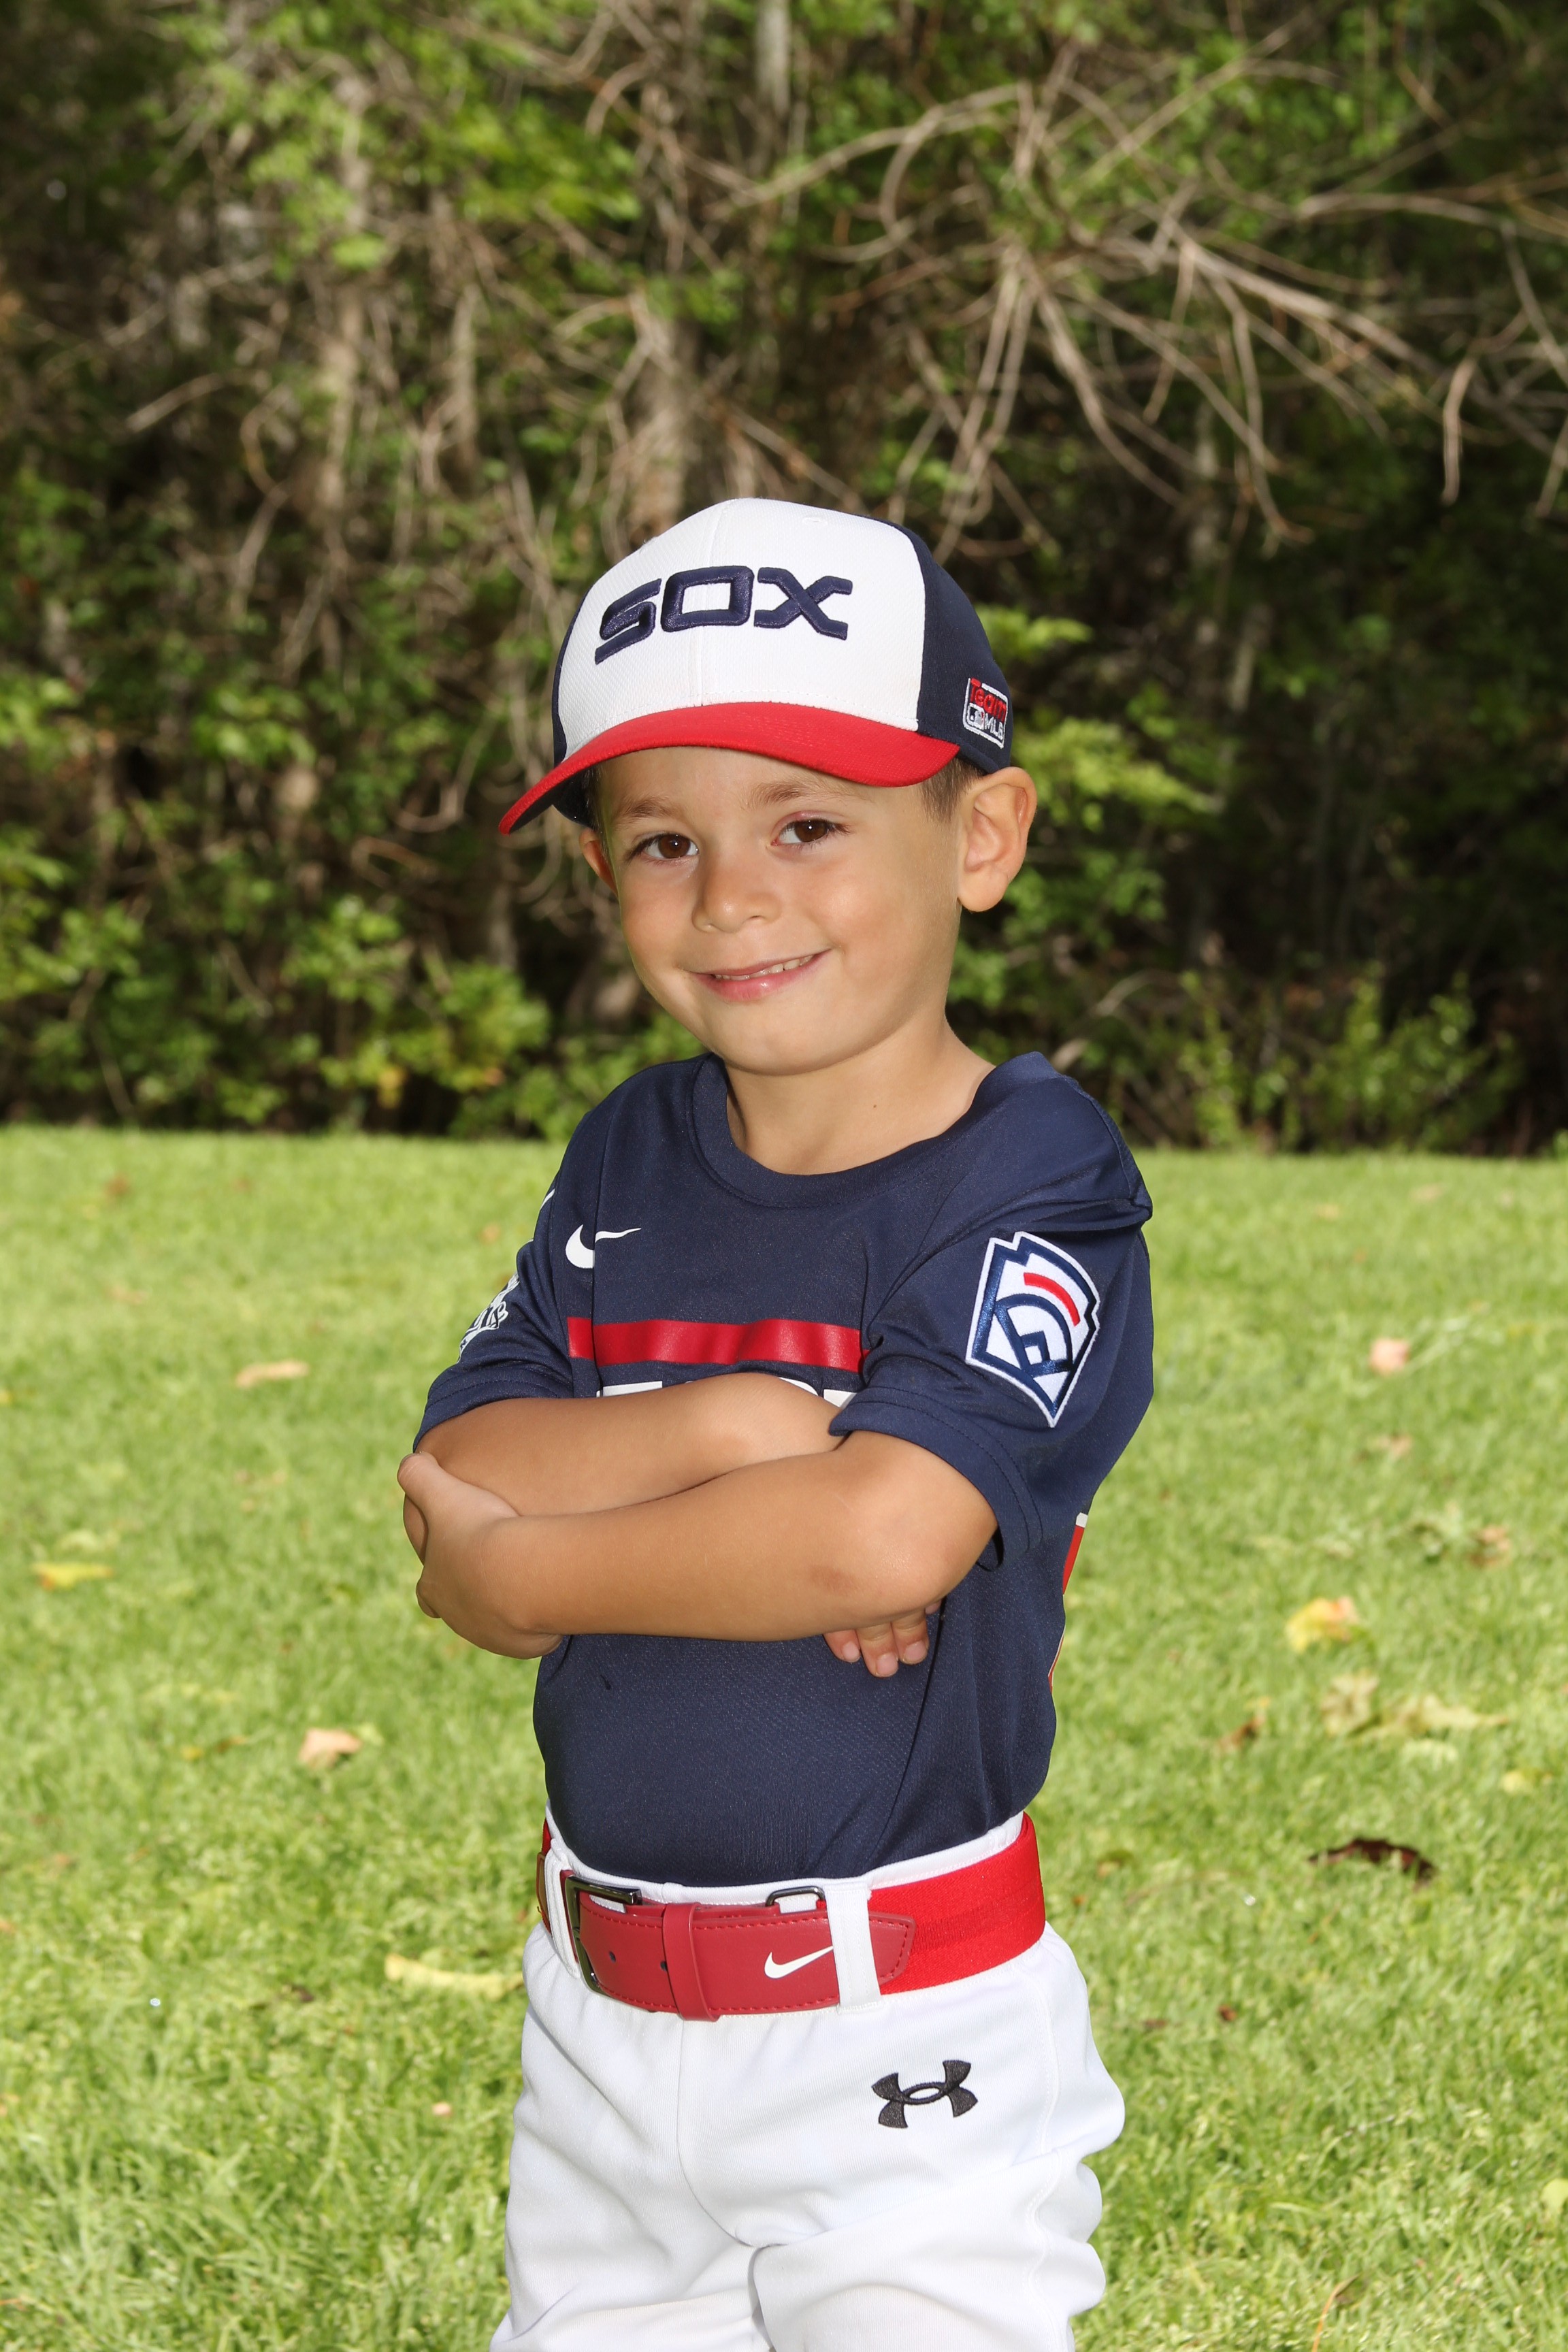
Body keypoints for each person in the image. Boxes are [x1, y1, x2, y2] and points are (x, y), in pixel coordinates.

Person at [397, 498, 1154, 2352]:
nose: (731, 896)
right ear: (605, 872)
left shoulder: (1037, 1179)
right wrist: (738, 1432)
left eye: (807, 824)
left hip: (901, 2035)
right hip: (600, 2032)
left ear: (982, 835)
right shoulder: (633, 1155)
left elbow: (881, 1535)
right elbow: (463, 1462)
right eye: (666, 840)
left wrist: (525, 1580)